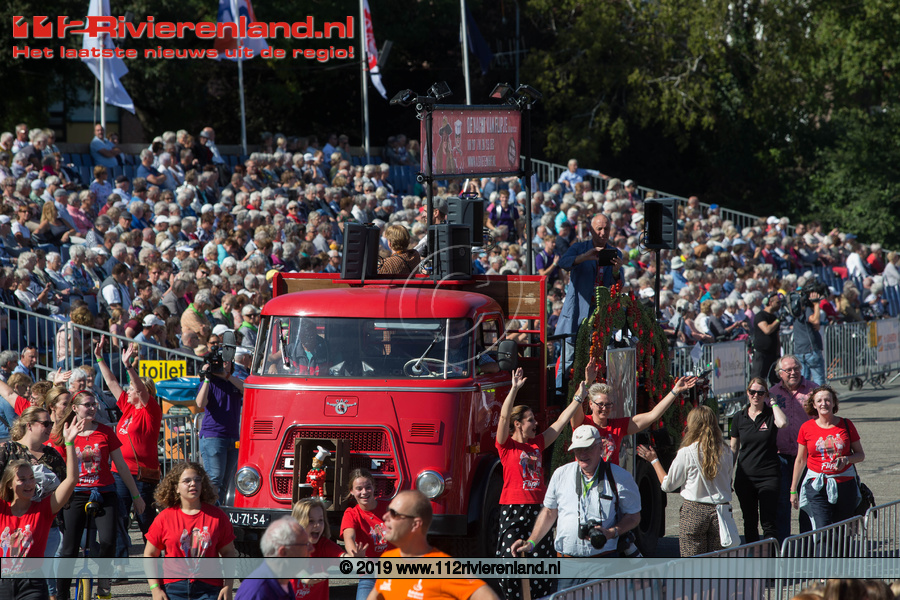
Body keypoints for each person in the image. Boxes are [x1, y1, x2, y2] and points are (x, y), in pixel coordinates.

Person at [494, 368, 587, 600]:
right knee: (509, 560)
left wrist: (579, 397)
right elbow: (503, 418)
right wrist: (514, 389)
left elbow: (561, 422)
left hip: (539, 510)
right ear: (517, 424)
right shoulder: (506, 445)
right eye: (530, 420)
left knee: (542, 563)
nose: (535, 423)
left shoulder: (537, 443)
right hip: (513, 509)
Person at [510, 425, 640, 589]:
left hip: (604, 563)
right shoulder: (561, 474)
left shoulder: (620, 477)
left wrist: (612, 532)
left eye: (588, 448)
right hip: (567, 565)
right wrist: (531, 542)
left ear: (600, 447)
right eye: (578, 450)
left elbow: (633, 516)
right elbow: (549, 512)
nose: (582, 454)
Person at [53, 390, 146, 600]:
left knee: (108, 541)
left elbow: (121, 465)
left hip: (104, 490)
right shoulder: (64, 433)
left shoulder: (105, 431)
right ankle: (62, 593)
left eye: (94, 404)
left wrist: (136, 495)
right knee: (69, 547)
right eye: (87, 405)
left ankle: (104, 585)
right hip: (76, 493)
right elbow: (58, 469)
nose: (92, 408)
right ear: (75, 408)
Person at [638, 405, 736, 557]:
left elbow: (668, 485)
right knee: (716, 565)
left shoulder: (686, 452)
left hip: (694, 511)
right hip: (720, 511)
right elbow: (728, 481)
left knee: (692, 564)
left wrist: (654, 460)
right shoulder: (727, 451)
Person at [95, 338, 161, 559]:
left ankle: (155, 560)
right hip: (120, 472)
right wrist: (99, 358)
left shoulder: (150, 411)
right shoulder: (127, 407)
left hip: (142, 476)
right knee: (119, 518)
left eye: (131, 388)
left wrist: (129, 367)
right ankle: (120, 563)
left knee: (145, 519)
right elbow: (111, 382)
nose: (127, 390)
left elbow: (141, 390)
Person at [368, 490, 498, 600]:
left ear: (415, 524)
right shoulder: (388, 559)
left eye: (394, 514)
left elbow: (488, 597)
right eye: (387, 511)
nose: (385, 517)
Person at [0, 419, 79, 600]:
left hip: (32, 584)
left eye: (31, 478)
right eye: (22, 479)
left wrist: (69, 443)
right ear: (10, 484)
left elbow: (71, 480)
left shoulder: (43, 510)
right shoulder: (2, 509)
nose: (29, 483)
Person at [144, 462, 239, 600]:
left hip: (210, 588)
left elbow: (228, 552)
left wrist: (228, 586)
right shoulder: (164, 518)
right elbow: (150, 554)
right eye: (187, 481)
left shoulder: (217, 516)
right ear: (176, 488)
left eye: (197, 480)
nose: (193, 484)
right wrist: (155, 589)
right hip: (173, 589)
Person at [570, 365, 699, 465]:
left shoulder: (618, 426)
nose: (604, 408)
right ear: (591, 404)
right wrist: (587, 382)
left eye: (608, 404)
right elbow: (575, 405)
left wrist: (675, 391)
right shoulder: (582, 423)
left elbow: (652, 415)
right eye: (600, 404)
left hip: (609, 484)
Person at [554, 214, 621, 387]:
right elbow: (563, 263)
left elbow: (618, 285)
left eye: (606, 229)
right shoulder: (579, 247)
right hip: (577, 312)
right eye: (599, 229)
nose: (603, 232)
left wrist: (616, 271)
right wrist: (584, 257)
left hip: (600, 316)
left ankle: (597, 391)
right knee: (568, 356)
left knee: (599, 358)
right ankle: (560, 391)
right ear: (591, 230)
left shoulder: (614, 253)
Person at [790, 385, 865, 530]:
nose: (823, 404)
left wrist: (847, 459)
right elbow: (800, 460)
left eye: (827, 400)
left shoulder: (846, 424)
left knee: (842, 530)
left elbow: (860, 455)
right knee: (822, 529)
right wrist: (793, 490)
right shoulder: (806, 427)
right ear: (814, 405)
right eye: (819, 401)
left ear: (834, 403)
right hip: (816, 486)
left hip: (845, 484)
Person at [729, 378, 788, 543]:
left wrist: (773, 403)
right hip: (745, 477)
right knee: (749, 521)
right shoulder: (738, 417)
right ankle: (753, 556)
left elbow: (783, 423)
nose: (756, 395)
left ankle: (771, 556)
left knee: (768, 522)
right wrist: (728, 474)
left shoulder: (771, 414)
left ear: (766, 395)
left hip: (768, 476)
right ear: (747, 393)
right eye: (753, 392)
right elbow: (733, 448)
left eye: (761, 393)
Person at [770, 355, 816, 542]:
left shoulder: (813, 391)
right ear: (779, 373)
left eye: (796, 368)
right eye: (788, 370)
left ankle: (807, 546)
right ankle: (784, 547)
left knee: (807, 503)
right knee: (782, 504)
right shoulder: (772, 393)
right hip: (780, 456)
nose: (793, 372)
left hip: (807, 457)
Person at [291, 498, 364, 600]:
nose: (317, 525)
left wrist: (356, 561)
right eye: (311, 521)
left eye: (320, 520)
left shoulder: (324, 545)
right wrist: (306, 577)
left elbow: (342, 557)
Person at [195, 359, 243, 504]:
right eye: (221, 362)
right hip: (213, 436)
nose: (224, 364)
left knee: (227, 481)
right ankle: (210, 511)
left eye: (227, 361)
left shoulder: (234, 382)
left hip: (232, 436)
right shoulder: (210, 383)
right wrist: (207, 378)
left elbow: (248, 389)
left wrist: (227, 375)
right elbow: (200, 403)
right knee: (214, 478)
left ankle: (220, 511)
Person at [342, 468, 394, 600]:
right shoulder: (351, 513)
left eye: (368, 487)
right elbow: (349, 537)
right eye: (359, 489)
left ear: (374, 488)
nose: (364, 492)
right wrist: (354, 554)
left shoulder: (390, 508)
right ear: (352, 491)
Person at [234, 517, 311, 600]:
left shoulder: (282, 583)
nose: (312, 549)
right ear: (283, 552)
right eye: (305, 544)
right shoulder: (259, 591)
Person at [791, 288, 825, 385]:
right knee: (818, 380)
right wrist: (816, 304)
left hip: (799, 350)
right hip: (810, 350)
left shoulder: (795, 311)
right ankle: (820, 395)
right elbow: (815, 321)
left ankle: (803, 396)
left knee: (803, 381)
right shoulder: (806, 309)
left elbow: (815, 325)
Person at [751, 293, 782, 384]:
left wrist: (778, 354)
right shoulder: (760, 316)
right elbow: (767, 330)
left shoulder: (774, 317)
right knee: (758, 379)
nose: (779, 305)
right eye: (777, 302)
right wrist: (778, 320)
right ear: (770, 302)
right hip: (761, 353)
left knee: (774, 380)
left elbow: (777, 336)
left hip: (772, 354)